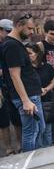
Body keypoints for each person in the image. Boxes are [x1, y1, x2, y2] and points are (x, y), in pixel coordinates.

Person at [0, 13, 45, 152]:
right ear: (19, 25)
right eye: (30, 28)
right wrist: (25, 101)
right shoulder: (12, 45)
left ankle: (37, 159)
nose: (32, 32)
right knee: (31, 132)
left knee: (39, 129)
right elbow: (14, 75)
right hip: (27, 98)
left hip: (32, 94)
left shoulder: (15, 44)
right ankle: (30, 164)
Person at [26, 43, 54, 147]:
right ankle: (39, 152)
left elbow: (53, 82)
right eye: (26, 53)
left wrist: (46, 89)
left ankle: (48, 149)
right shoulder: (25, 69)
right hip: (32, 103)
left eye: (30, 53)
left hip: (46, 101)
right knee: (37, 130)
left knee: (47, 129)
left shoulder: (47, 67)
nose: (28, 55)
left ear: (37, 54)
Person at [0, 18, 21, 155]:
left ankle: (19, 145)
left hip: (12, 87)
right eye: (7, 31)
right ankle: (8, 149)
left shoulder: (11, 43)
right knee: (3, 122)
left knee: (17, 118)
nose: (9, 34)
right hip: (2, 88)